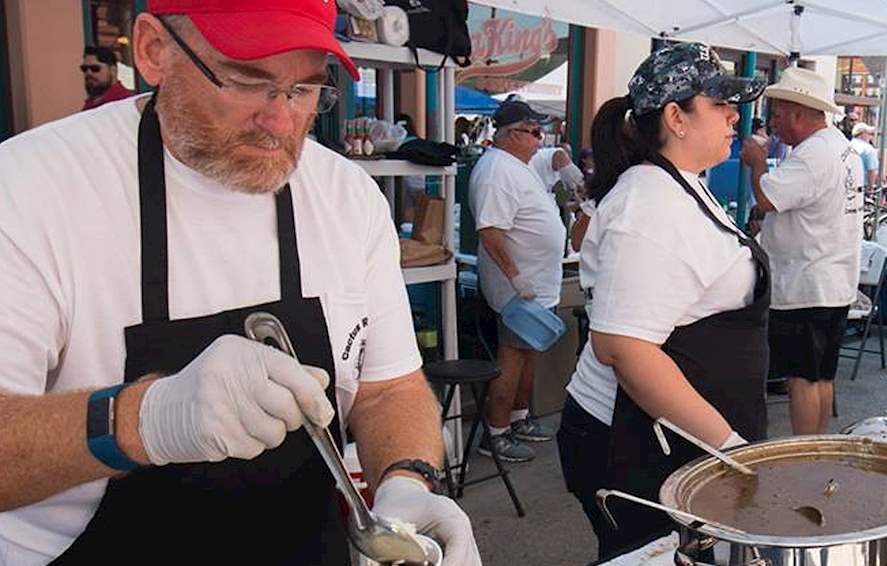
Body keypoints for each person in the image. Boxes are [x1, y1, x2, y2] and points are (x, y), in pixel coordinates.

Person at [0, 2, 480, 565]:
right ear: (155, 50)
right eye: (246, 81)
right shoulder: (31, 190)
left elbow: (388, 389)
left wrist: (406, 485)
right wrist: (142, 420)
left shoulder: (346, 198)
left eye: (304, 90)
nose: (280, 122)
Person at [555, 42, 767, 560]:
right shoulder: (648, 203)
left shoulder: (683, 185)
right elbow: (624, 348)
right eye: (719, 103)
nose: (734, 115)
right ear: (676, 117)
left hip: (674, 437)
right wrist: (732, 448)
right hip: (634, 445)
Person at [740, 67, 863, 435]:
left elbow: (766, 197)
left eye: (777, 113)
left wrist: (756, 161)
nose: (773, 122)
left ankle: (806, 455)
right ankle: (818, 447)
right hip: (835, 282)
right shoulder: (843, 149)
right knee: (822, 376)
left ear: (798, 112)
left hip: (806, 284)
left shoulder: (812, 155)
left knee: (803, 379)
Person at [468, 98, 566, 464]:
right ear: (513, 135)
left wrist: (567, 166)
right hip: (518, 290)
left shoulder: (517, 164)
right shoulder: (497, 170)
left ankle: (519, 418)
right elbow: (490, 231)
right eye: (535, 132)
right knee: (511, 358)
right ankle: (495, 433)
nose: (540, 140)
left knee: (528, 354)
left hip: (536, 286)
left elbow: (556, 158)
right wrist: (516, 276)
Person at [81, 46, 135, 111]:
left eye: (95, 68)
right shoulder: (90, 104)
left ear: (113, 70)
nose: (88, 73)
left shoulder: (125, 102)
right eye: (84, 69)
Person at [850, 122, 880, 188]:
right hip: (862, 187)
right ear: (862, 134)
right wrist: (871, 188)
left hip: (847, 185)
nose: (871, 137)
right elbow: (872, 171)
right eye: (869, 134)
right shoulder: (868, 149)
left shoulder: (847, 146)